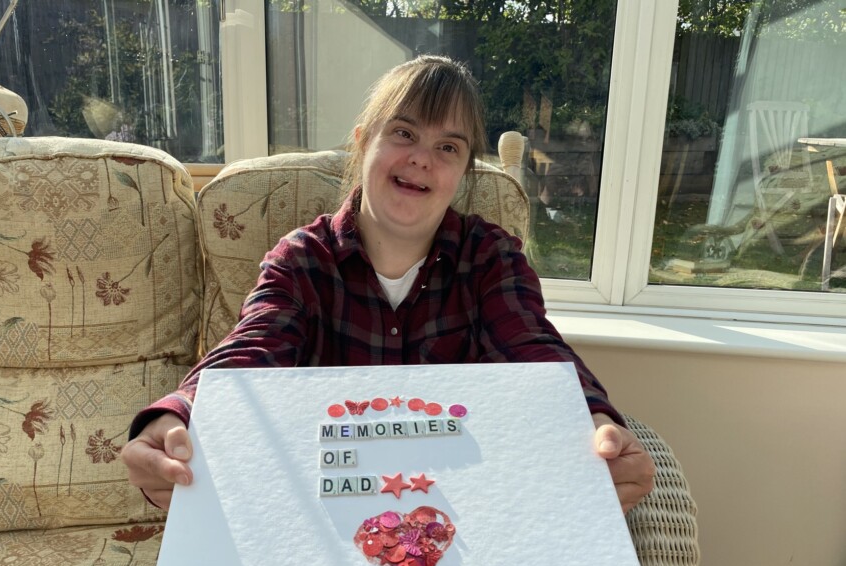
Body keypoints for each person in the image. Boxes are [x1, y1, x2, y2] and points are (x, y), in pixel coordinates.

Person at [122, 55, 655, 513]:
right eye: (403, 133)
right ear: (363, 143)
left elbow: (533, 348)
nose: (422, 157)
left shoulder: (490, 258)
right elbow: (251, 350)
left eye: (448, 147)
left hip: (465, 508)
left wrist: (595, 419)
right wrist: (179, 414)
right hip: (323, 509)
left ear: (464, 171)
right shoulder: (302, 260)